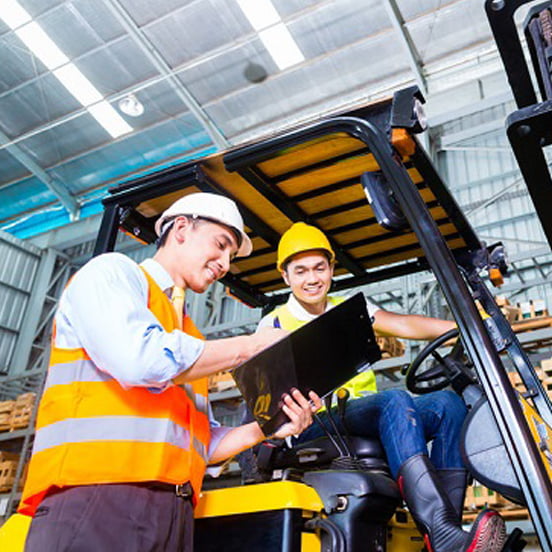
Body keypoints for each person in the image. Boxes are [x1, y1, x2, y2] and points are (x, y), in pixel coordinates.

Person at [19, 194, 321, 552]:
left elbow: (201, 444)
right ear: (180, 228)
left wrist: (268, 427)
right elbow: (139, 361)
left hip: (173, 511)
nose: (225, 264)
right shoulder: (112, 274)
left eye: (230, 256)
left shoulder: (190, 338)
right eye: (221, 245)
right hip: (98, 500)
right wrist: (252, 345)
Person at [253, 222, 507, 552]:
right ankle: (439, 530)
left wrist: (470, 328)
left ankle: (446, 532)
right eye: (300, 271)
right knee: (395, 401)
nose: (312, 278)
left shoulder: (348, 309)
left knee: (447, 404)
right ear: (286, 276)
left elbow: (401, 323)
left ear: (331, 268)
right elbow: (266, 398)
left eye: (319, 268)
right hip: (312, 423)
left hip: (361, 413)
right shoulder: (272, 324)